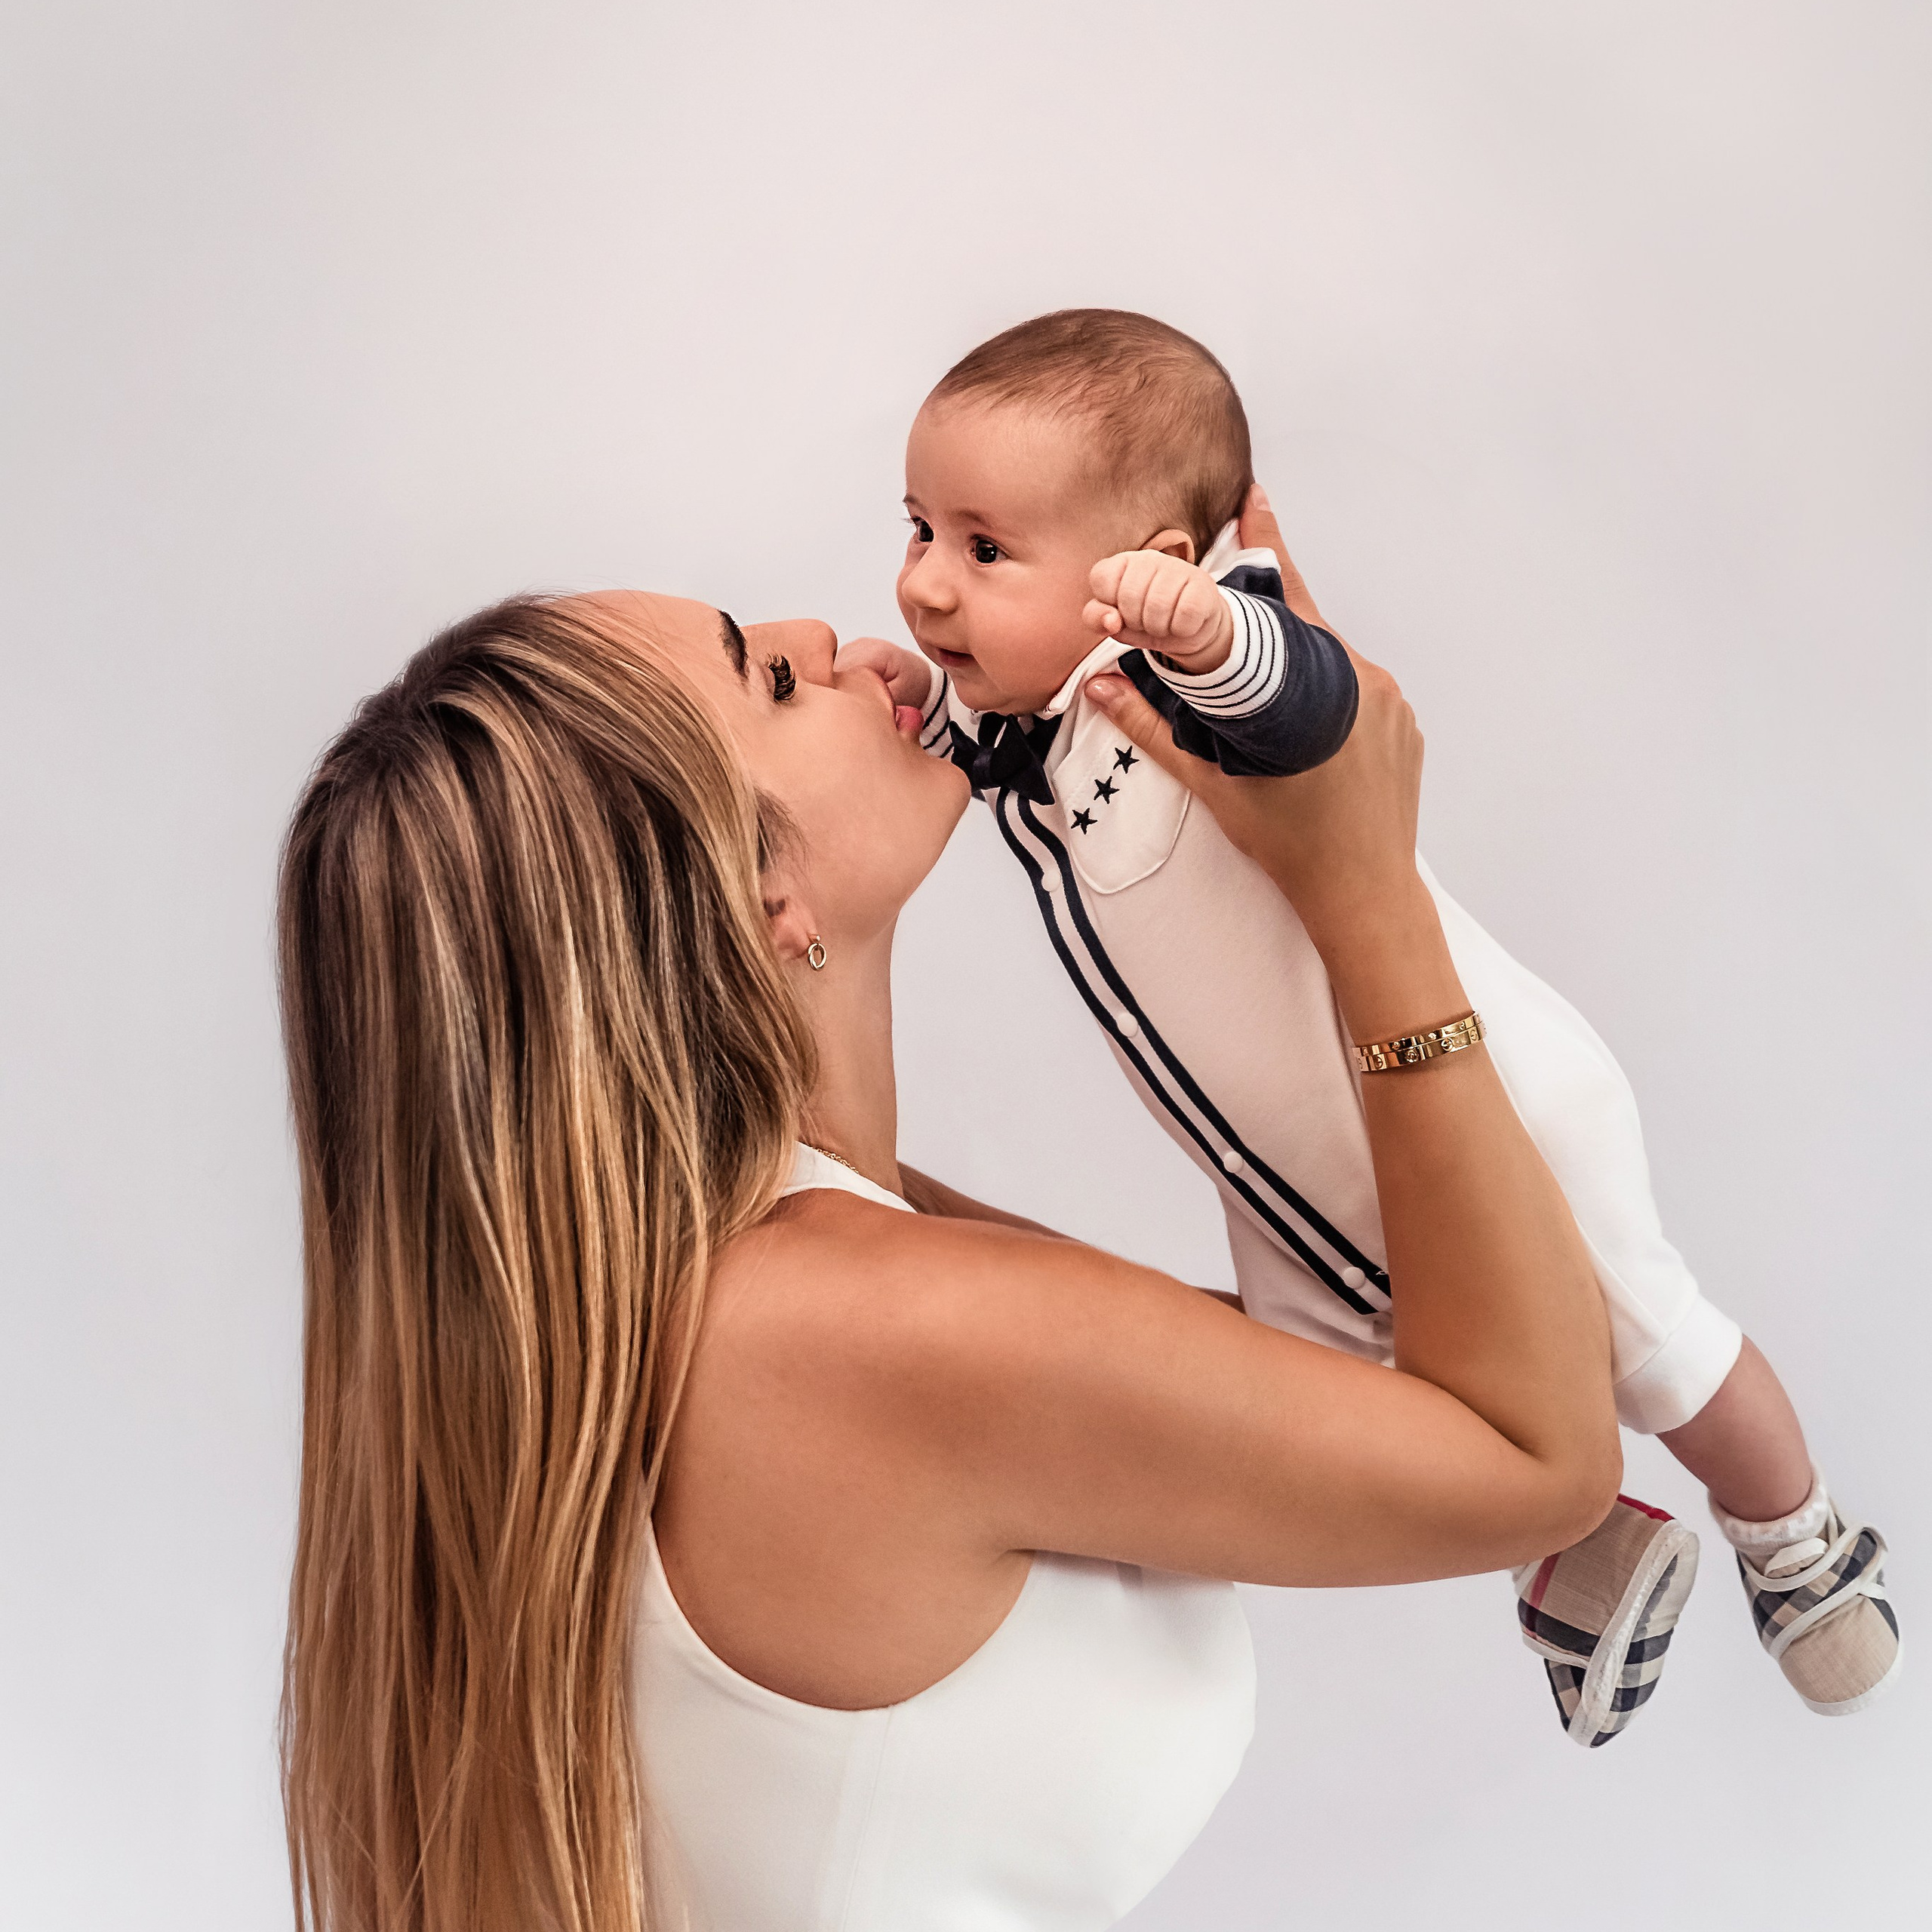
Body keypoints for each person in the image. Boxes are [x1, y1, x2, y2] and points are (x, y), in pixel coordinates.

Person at [278, 557, 1620, 1931]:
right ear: (763, 898)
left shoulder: (747, 1260)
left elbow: (1350, 1347)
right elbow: (1535, 1459)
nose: (830, 632)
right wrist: (1365, 894)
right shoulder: (852, 1323)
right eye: (773, 678)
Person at [844, 307, 1900, 1739]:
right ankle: (1587, 1551)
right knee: (1332, 1428)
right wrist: (898, 711)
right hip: (1293, 1194)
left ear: (1146, 570)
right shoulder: (1026, 718)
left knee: (1658, 1350)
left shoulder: (1197, 661)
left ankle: (1799, 1540)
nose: (925, 588)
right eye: (919, 531)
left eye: (982, 548)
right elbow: (944, 761)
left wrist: (1215, 631)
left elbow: (1314, 711)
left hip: (1497, 1115)